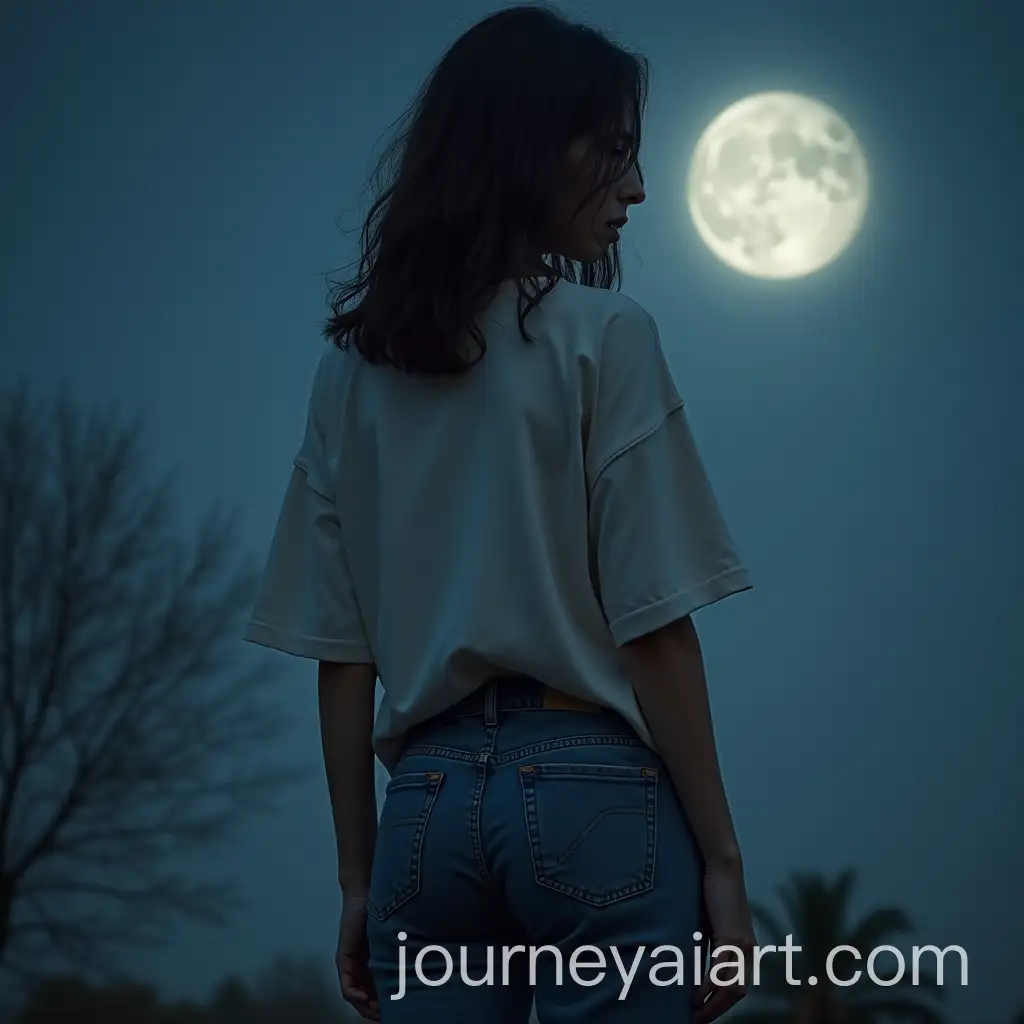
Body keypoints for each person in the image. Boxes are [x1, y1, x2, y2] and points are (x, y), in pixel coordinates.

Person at [243, 4, 757, 1022]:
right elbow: (652, 627)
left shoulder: (350, 374)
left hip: (423, 813)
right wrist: (726, 867)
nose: (639, 187)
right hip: (593, 797)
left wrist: (358, 879)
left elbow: (341, 658)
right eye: (613, 149)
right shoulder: (605, 335)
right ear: (530, 148)